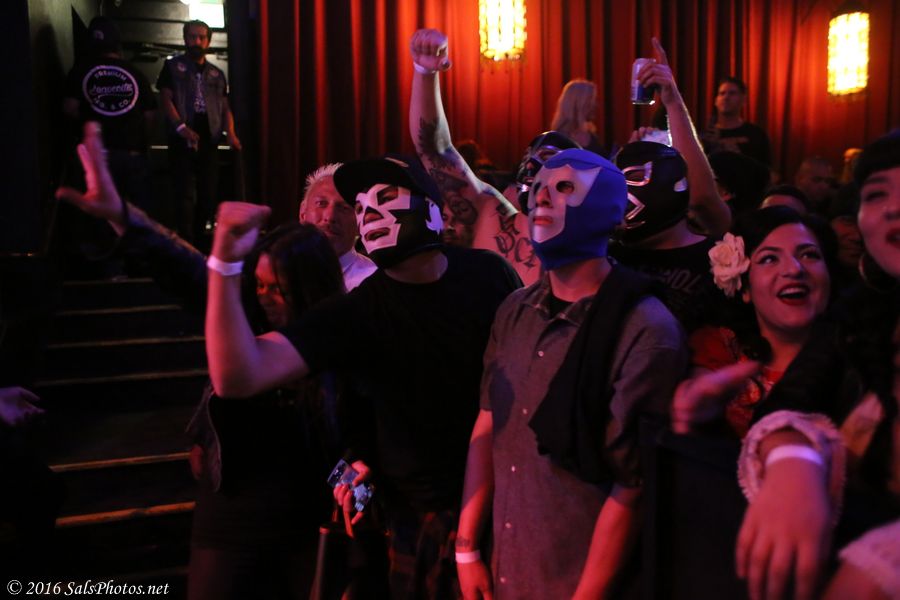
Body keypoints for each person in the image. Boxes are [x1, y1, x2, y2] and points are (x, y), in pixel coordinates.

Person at [203, 155, 521, 598]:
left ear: (430, 208)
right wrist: (223, 264)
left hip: (506, 495)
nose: (370, 212)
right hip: (419, 514)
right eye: (361, 205)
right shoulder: (357, 311)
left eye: (385, 197)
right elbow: (238, 376)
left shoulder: (488, 274)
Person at [56, 122, 350, 600]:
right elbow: (187, 269)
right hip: (233, 505)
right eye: (321, 202)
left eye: (344, 206)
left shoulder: (357, 307)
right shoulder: (254, 291)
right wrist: (121, 215)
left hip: (310, 508)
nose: (266, 297)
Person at [455, 148, 687, 599]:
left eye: (564, 187)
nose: (542, 198)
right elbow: (489, 421)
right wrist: (468, 550)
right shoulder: (514, 310)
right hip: (504, 569)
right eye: (539, 188)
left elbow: (632, 486)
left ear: (612, 211)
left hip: (573, 580)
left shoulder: (645, 329)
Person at [730, 131, 900, 600]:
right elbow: (792, 402)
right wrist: (793, 459)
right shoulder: (860, 324)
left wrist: (885, 558)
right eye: (876, 194)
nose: (893, 208)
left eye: (809, 255)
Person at [670, 206, 838, 438]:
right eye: (769, 259)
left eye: (809, 255)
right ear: (745, 288)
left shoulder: (864, 354)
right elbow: (702, 391)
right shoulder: (723, 350)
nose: (794, 269)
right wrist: (700, 412)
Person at [408, 28, 557, 285]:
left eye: (562, 182)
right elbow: (435, 150)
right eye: (534, 169)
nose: (543, 188)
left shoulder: (599, 247)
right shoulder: (497, 222)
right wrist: (425, 72)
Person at [157, 19, 241, 244]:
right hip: (181, 136)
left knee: (208, 191)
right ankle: (184, 239)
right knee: (183, 191)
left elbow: (225, 107)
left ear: (208, 41)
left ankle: (201, 239)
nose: (197, 41)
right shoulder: (173, 66)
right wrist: (180, 127)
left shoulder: (216, 73)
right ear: (185, 38)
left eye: (201, 37)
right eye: (192, 36)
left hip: (209, 137)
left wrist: (231, 133)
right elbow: (165, 98)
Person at [63, 17, 157, 215]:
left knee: (100, 218)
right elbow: (150, 116)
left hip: (97, 156)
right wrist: (143, 145)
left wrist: (87, 123)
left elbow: (70, 108)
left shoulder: (80, 71)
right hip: (132, 155)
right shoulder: (136, 73)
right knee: (136, 217)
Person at [298, 163, 376, 290]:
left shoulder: (373, 284)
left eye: (344, 208)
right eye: (321, 203)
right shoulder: (278, 271)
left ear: (360, 221)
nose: (330, 216)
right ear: (303, 213)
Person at [703, 76, 771, 166]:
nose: (726, 97)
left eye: (732, 93)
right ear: (716, 101)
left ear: (743, 100)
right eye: (722, 93)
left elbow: (765, 169)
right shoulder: (706, 136)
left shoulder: (756, 134)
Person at [550, 79, 607, 156]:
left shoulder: (590, 132)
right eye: (591, 100)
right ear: (579, 104)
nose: (594, 105)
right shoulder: (559, 138)